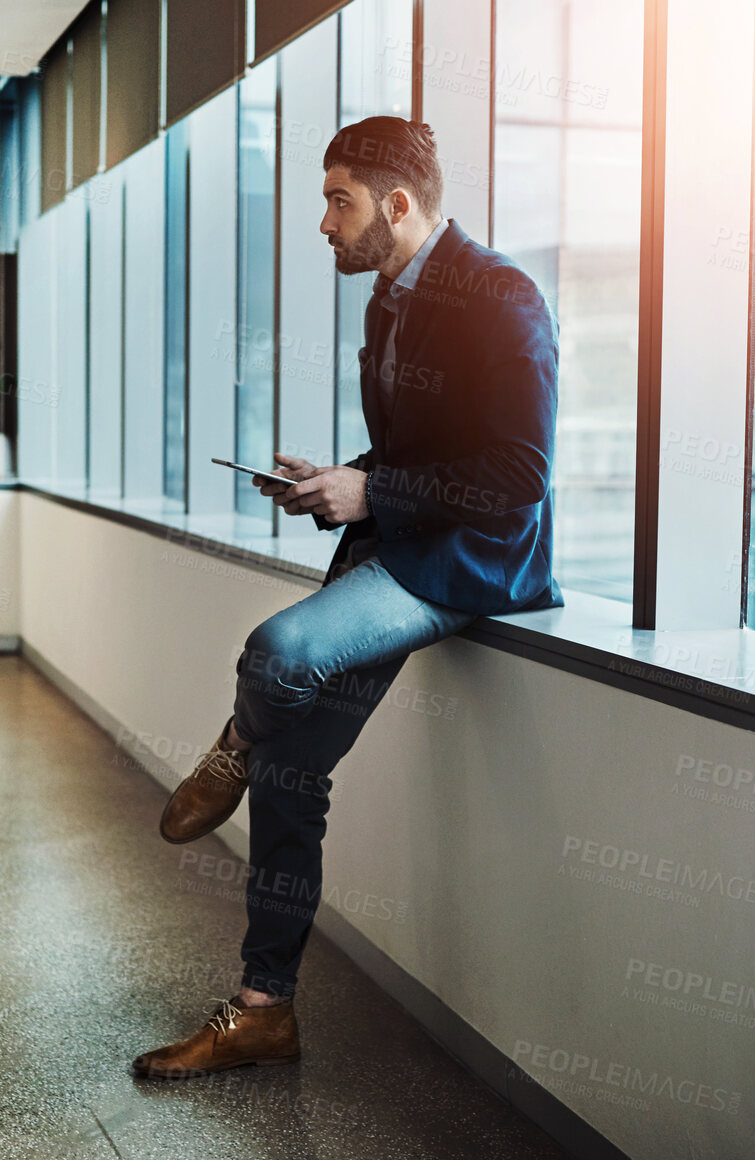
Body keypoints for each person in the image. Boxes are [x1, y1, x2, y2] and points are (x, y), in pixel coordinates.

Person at [130, 116, 562, 1079]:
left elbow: (517, 474)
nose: (323, 225)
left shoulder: (504, 297)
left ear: (397, 206)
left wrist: (373, 492)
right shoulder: (386, 301)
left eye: (339, 202)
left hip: (470, 562)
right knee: (294, 781)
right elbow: (414, 453)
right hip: (395, 540)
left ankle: (230, 745)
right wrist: (338, 481)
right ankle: (263, 1009)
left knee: (276, 652)